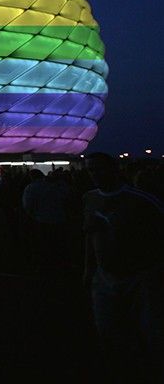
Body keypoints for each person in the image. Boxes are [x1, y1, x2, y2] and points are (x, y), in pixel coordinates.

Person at [82, 153, 164, 375]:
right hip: (104, 276)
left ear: (115, 169)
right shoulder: (89, 198)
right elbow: (90, 235)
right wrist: (89, 269)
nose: (95, 174)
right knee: (107, 328)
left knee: (150, 330)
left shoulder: (142, 200)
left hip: (140, 275)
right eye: (90, 170)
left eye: (99, 169)